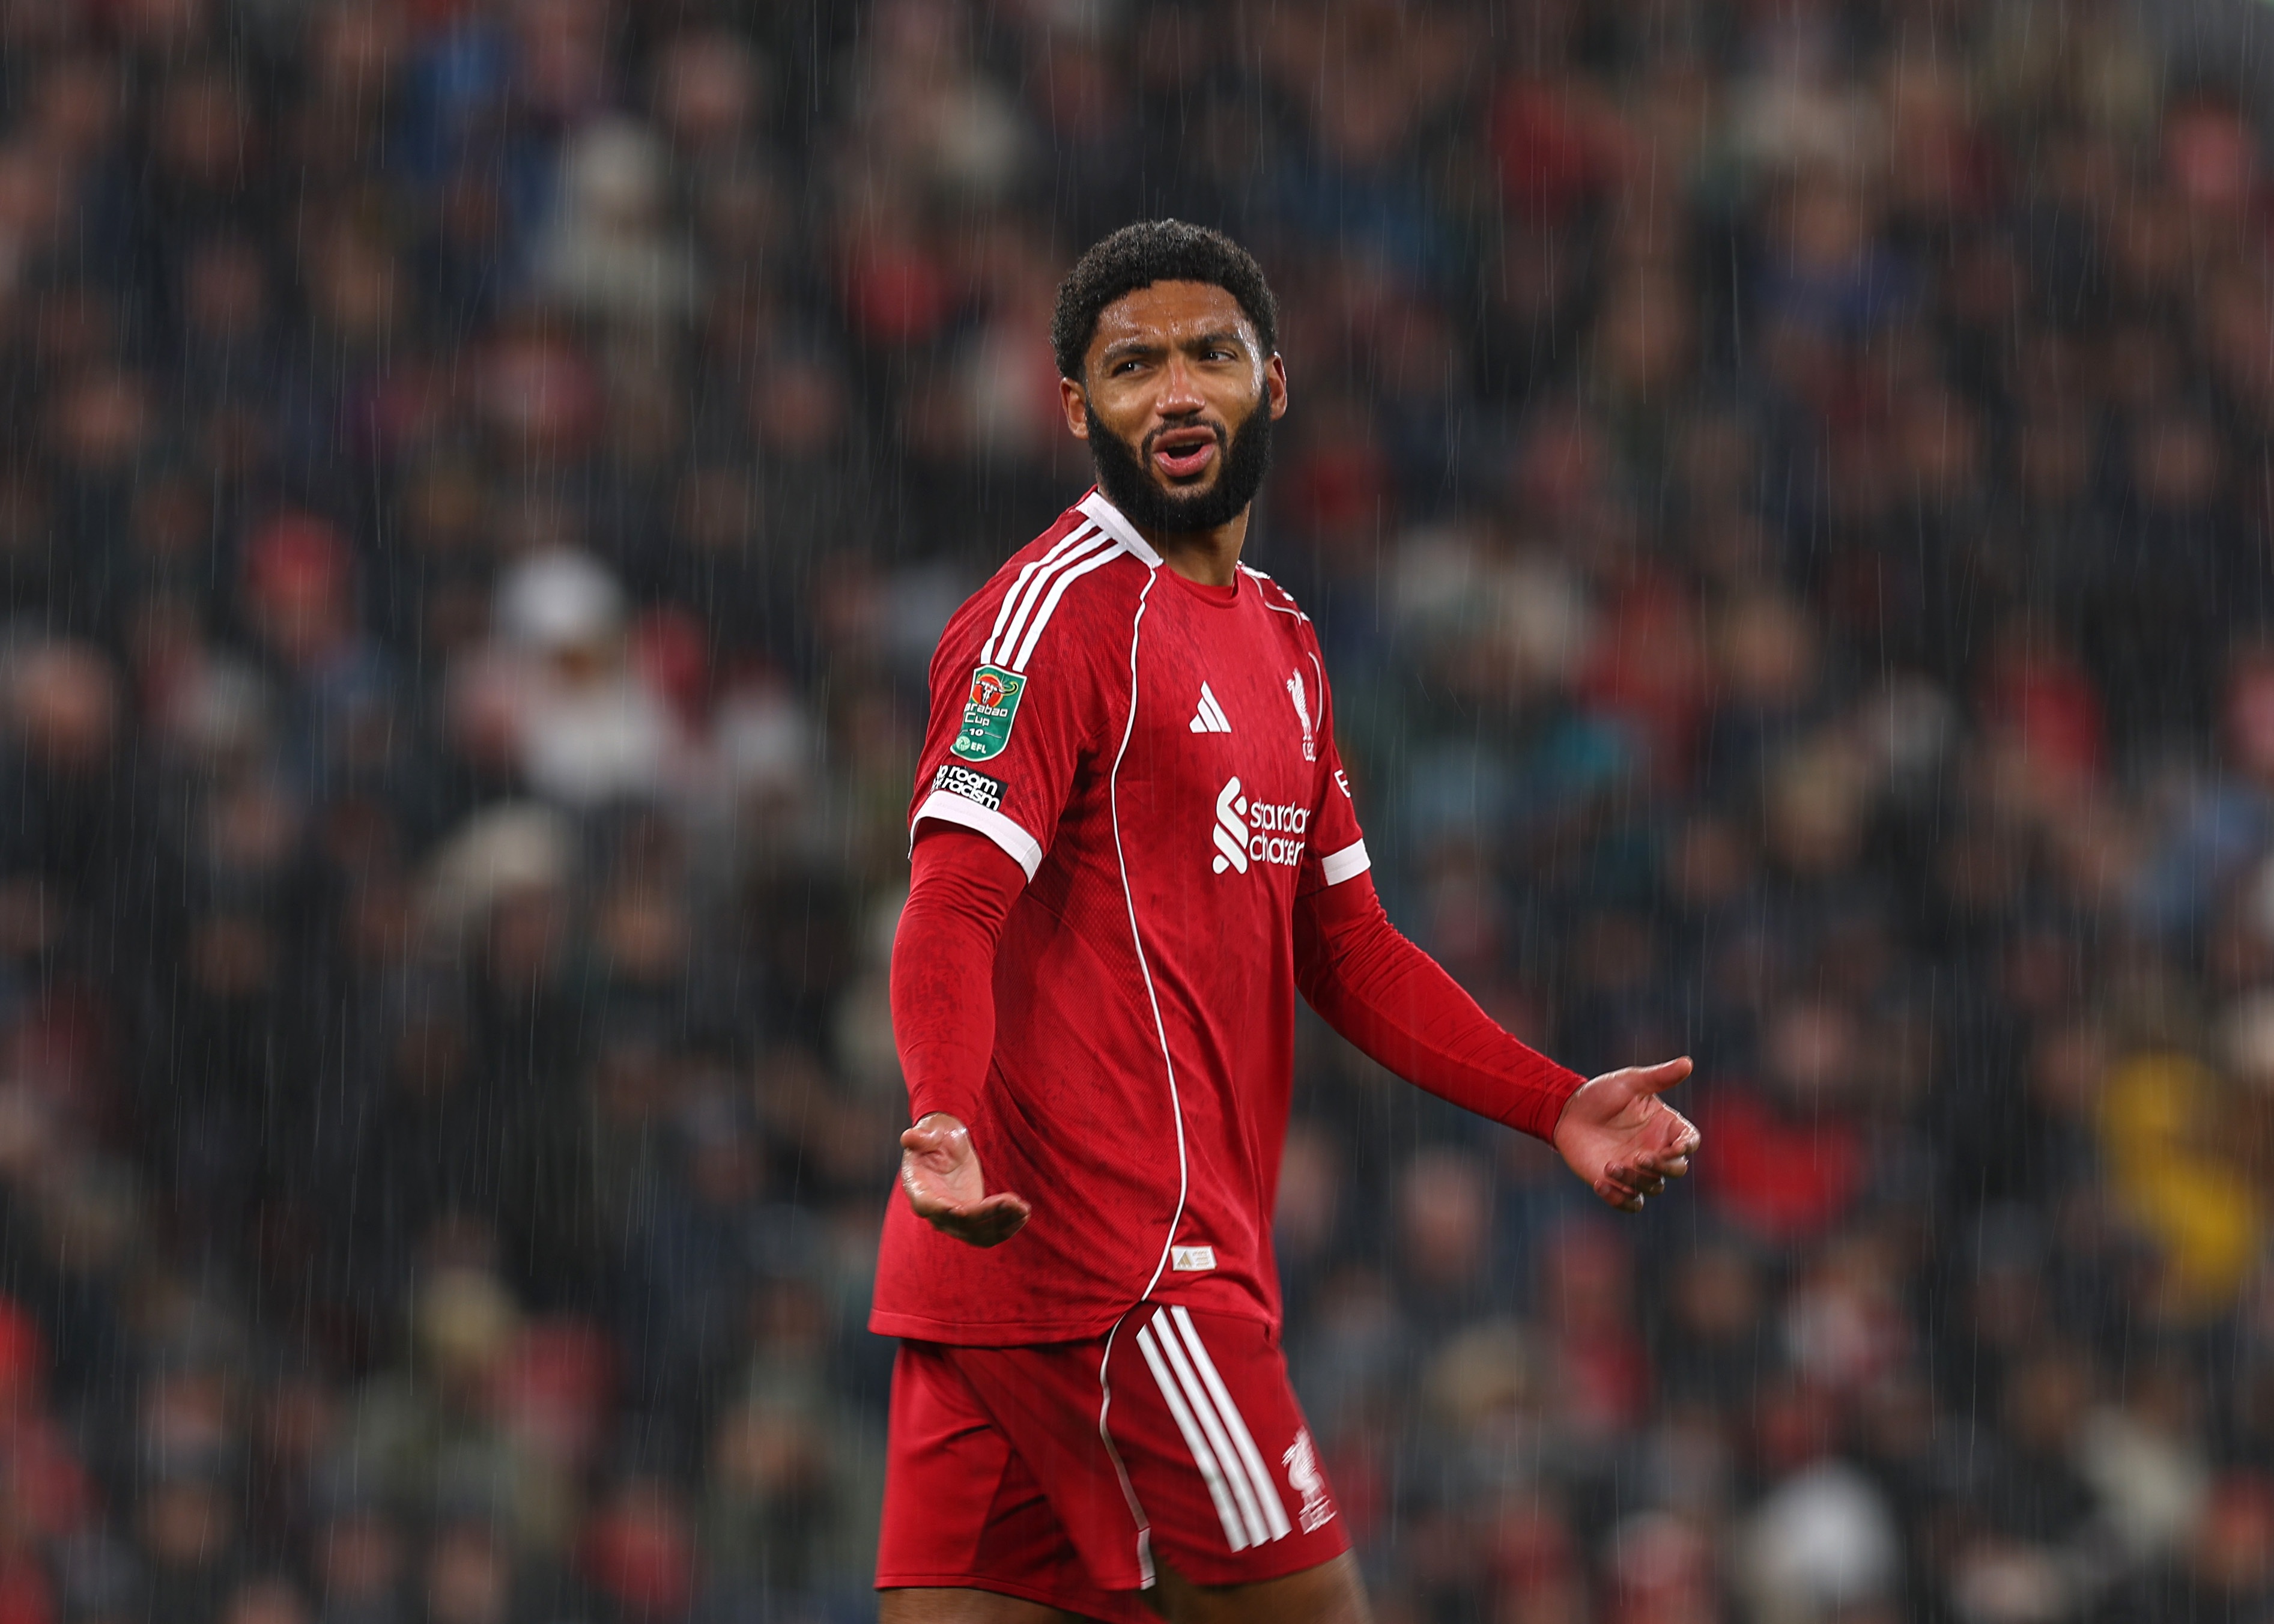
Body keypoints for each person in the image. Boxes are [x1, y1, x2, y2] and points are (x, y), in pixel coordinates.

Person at [873, 221, 1701, 1624]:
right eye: (1131, 365)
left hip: (1029, 1284)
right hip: (1123, 1263)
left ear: (1273, 379)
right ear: (1075, 408)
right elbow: (954, 893)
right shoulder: (1053, 616)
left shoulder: (1286, 642)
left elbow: (1350, 947)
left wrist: (1553, 1100)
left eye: (1210, 353)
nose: (1175, 390)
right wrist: (943, 1108)